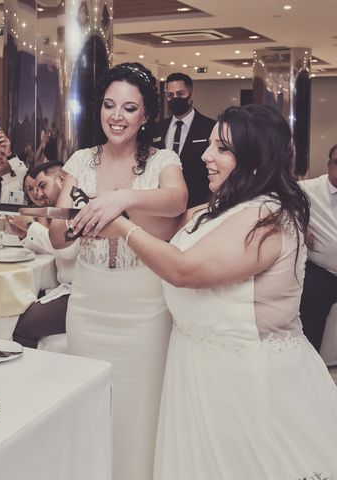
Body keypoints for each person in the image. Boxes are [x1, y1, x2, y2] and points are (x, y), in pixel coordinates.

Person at [75, 104, 337, 478]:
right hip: (202, 369)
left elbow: (183, 270)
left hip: (245, 383)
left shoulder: (266, 218)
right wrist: (121, 200)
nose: (205, 155)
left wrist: (122, 228)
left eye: (222, 149)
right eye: (211, 144)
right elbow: (170, 224)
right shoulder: (223, 206)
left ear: (255, 158)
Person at [49, 62, 188, 479]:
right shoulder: (80, 160)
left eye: (129, 108)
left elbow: (177, 201)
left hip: (144, 307)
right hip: (89, 302)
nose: (117, 116)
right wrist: (76, 224)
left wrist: (118, 200)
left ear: (146, 116)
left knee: (138, 410)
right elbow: (57, 235)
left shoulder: (163, 159)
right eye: (110, 105)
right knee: (91, 404)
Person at [11, 161, 78, 349]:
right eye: (34, 189)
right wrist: (25, 233)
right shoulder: (58, 211)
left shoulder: (76, 206)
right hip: (65, 289)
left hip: (77, 293)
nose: (39, 194)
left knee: (19, 325)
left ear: (62, 180)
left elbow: (66, 250)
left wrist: (30, 226)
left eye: (43, 186)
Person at [152, 72, 216, 208]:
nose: (175, 98)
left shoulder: (210, 127)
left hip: (199, 204)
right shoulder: (157, 128)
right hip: (163, 203)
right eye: (170, 95)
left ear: (192, 94)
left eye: (180, 94)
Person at [298, 143, 337, 352]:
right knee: (312, 293)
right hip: (323, 271)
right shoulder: (307, 189)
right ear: (329, 164)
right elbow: (278, 202)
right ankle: (308, 359)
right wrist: (299, 222)